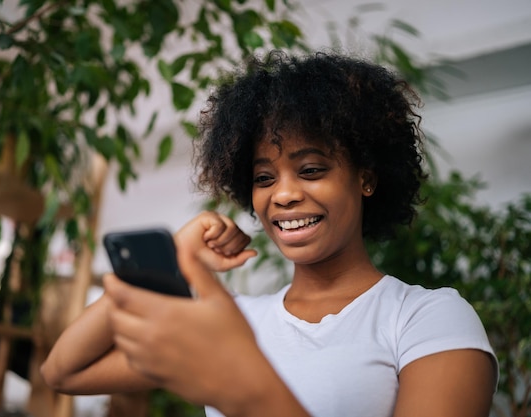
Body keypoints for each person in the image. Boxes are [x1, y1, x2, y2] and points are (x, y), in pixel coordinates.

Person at [40, 51, 497, 417]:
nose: (283, 194)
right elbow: (64, 370)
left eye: (312, 169)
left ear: (366, 178)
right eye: (264, 178)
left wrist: (245, 384)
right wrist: (176, 257)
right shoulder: (237, 320)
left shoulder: (426, 319)